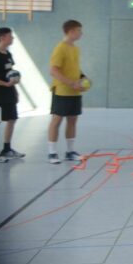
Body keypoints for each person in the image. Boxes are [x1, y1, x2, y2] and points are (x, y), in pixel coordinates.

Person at [48, 19, 86, 164]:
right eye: (79, 30)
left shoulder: (76, 49)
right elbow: (53, 70)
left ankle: (70, 152)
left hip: (74, 92)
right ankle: (52, 153)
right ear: (71, 31)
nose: (81, 33)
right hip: (62, 91)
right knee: (56, 121)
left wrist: (82, 78)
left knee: (72, 120)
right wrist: (71, 83)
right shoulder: (60, 48)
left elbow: (74, 68)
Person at [0, 27, 25, 161]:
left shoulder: (8, 54)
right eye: (10, 36)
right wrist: (5, 84)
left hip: (9, 92)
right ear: (2, 38)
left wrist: (15, 90)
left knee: (12, 119)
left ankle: (6, 149)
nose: (12, 38)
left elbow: (10, 72)